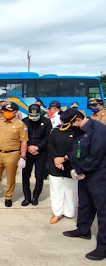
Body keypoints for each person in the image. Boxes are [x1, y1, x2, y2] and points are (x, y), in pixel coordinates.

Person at [56, 109, 106, 261]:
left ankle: (103, 246)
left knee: (102, 210)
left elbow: (96, 155)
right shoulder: (78, 130)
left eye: (71, 124)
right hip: (83, 173)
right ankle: (83, 230)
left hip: (98, 174)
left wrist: (81, 170)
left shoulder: (98, 131)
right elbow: (75, 149)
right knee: (84, 202)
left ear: (78, 119)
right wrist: (69, 161)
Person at [0, 103, 28, 207]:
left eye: (9, 110)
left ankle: (8, 197)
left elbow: (24, 142)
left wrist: (23, 157)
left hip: (12, 153)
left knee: (10, 176)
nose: (6, 113)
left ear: (15, 112)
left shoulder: (20, 125)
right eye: (5, 110)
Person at [47, 111, 78, 224]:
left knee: (70, 190)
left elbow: (77, 148)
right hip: (55, 164)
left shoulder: (78, 132)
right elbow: (50, 145)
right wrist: (56, 159)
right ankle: (57, 212)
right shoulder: (56, 131)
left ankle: (69, 211)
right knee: (56, 189)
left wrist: (64, 158)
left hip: (70, 164)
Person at [21, 104, 52, 206]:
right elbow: (22, 137)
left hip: (41, 152)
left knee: (39, 176)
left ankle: (35, 196)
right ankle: (27, 197)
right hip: (28, 152)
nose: (34, 117)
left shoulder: (46, 122)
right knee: (25, 176)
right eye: (31, 115)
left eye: (36, 115)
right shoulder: (25, 121)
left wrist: (38, 147)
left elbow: (47, 137)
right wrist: (29, 148)